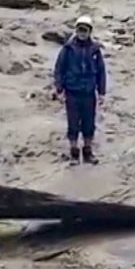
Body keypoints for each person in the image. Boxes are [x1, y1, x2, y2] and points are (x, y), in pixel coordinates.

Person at [52, 15, 107, 165]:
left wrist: (102, 92)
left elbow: (101, 71)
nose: (82, 32)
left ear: (90, 31)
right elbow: (59, 69)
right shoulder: (67, 49)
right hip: (72, 92)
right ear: (76, 30)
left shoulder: (95, 49)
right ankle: (74, 153)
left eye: (85, 29)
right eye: (79, 29)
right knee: (73, 123)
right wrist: (59, 89)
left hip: (89, 93)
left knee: (89, 123)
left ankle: (88, 152)